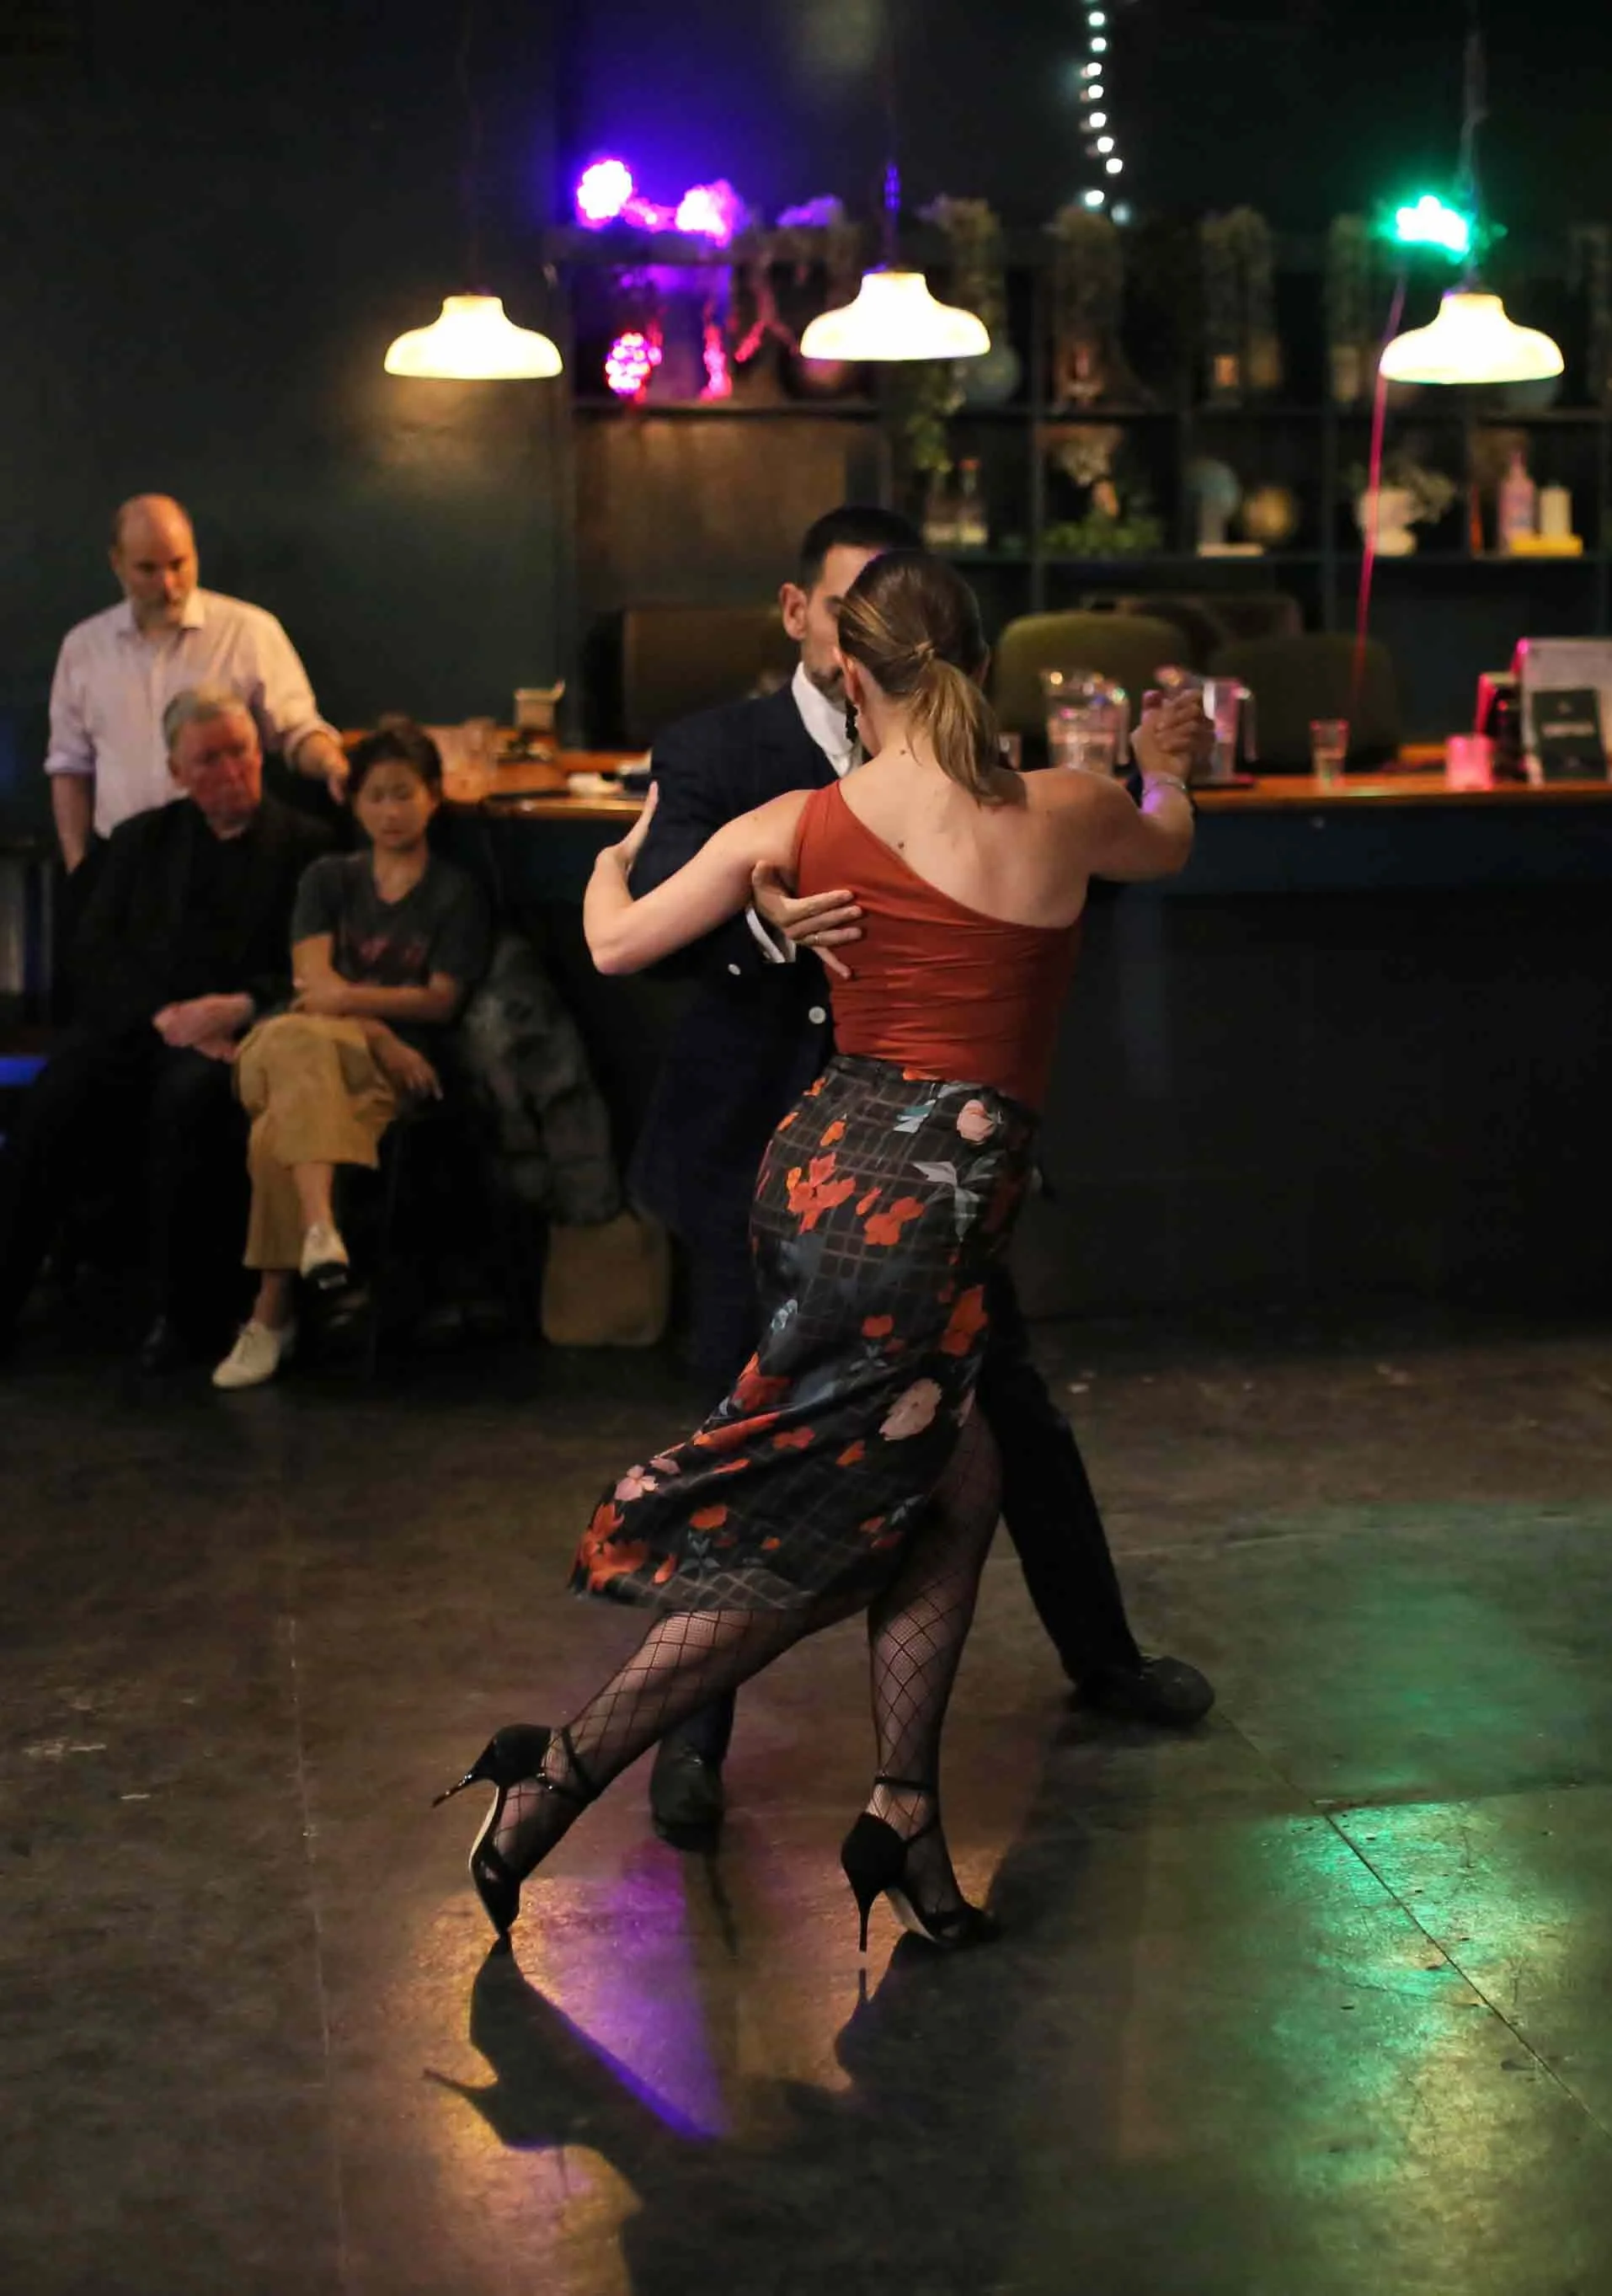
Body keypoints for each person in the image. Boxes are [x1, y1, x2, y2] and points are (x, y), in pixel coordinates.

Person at [439, 551, 1204, 1954]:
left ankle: (903, 1806)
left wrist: (621, 853)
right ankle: (556, 1771)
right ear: (977, 656)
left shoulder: (797, 820)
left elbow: (612, 943)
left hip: (825, 1185)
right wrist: (1165, 759)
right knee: (824, 1533)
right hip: (935, 1210)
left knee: (958, 1480)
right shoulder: (1068, 808)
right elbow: (1169, 834)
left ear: (849, 672)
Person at [627, 505, 1212, 1847]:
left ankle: (1099, 1660)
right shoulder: (725, 751)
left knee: (1009, 1431)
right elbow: (658, 910)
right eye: (850, 606)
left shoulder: (972, 753)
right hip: (766, 1161)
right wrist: (765, 915)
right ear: (807, 621)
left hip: (932, 1190)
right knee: (750, 1435)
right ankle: (684, 1741)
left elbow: (1052, 881)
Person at [0, 686, 332, 1367]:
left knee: (187, 1102)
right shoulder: (141, 841)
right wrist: (164, 1018)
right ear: (178, 772)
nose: (231, 771)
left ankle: (186, 1320)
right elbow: (95, 953)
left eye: (240, 752)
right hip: (146, 1023)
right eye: (208, 760)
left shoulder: (308, 849)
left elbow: (315, 968)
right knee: (54, 1095)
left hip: (247, 1031)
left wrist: (238, 1007)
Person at [212, 723, 492, 1389]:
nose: (390, 812)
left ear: (432, 797)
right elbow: (315, 992)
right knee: (297, 1038)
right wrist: (381, 1033)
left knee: (277, 1126)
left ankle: (270, 1314)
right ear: (354, 804)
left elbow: (442, 1002)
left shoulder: (455, 892)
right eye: (375, 797)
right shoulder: (327, 878)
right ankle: (316, 1228)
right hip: (347, 1051)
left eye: (404, 795)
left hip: (364, 1078)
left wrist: (351, 1009)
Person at [44, 494, 350, 893]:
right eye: (148, 569)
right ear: (117, 563)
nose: (168, 585)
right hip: (122, 863)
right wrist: (79, 868)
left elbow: (297, 730)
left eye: (179, 565)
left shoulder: (249, 632)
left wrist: (332, 765)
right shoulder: (83, 648)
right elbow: (70, 768)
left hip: (228, 858)